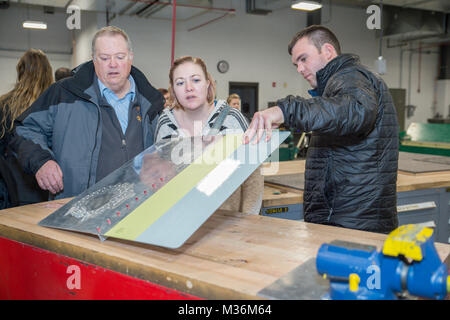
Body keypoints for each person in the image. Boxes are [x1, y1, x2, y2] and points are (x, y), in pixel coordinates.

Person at [243, 25, 399, 233]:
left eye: (303, 59)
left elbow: (354, 111)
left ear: (327, 51)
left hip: (353, 221)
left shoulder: (351, 77)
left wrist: (286, 110)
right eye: (296, 64)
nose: (299, 69)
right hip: (349, 217)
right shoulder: (341, 83)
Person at [10, 26, 164, 200]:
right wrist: (41, 161)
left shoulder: (151, 104)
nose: (113, 64)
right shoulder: (64, 94)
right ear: (93, 59)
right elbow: (24, 130)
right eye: (104, 58)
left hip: (135, 209)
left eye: (120, 57)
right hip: (75, 209)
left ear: (130, 57)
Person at [155, 56, 263, 215]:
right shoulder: (165, 124)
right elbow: (160, 181)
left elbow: (252, 178)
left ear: (208, 83)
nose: (188, 88)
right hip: (181, 223)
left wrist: (248, 222)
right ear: (173, 89)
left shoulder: (231, 118)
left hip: (227, 225)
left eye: (196, 80)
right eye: (180, 82)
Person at [0, 49, 52, 208]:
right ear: (48, 72)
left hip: (12, 188)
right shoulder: (53, 105)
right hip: (48, 185)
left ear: (20, 71)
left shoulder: (4, 104)